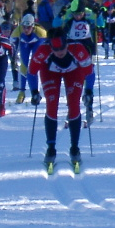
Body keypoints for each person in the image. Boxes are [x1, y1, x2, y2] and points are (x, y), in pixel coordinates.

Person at [27, 28, 93, 168]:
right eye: (55, 49)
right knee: (51, 105)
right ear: (50, 46)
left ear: (67, 43)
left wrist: (89, 91)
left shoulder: (77, 48)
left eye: (62, 48)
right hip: (49, 72)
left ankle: (74, 147)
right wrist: (34, 91)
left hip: (74, 71)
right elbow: (31, 72)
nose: (59, 52)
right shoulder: (43, 50)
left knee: (74, 105)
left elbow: (89, 72)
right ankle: (51, 148)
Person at [61, 0, 100, 123]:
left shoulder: (89, 20)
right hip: (72, 50)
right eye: (75, 14)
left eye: (80, 14)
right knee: (73, 78)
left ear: (84, 12)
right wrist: (61, 14)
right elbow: (57, 26)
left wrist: (98, 13)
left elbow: (101, 23)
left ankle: (89, 100)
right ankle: (72, 107)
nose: (77, 16)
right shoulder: (69, 22)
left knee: (89, 73)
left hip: (86, 49)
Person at [10, 13, 47, 104]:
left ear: (33, 26)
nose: (26, 30)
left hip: (37, 43)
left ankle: (35, 92)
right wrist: (14, 55)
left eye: (29, 27)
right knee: (24, 64)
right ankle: (21, 92)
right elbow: (12, 43)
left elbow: (45, 47)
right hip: (24, 43)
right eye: (24, 27)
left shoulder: (41, 32)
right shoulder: (18, 31)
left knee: (34, 65)